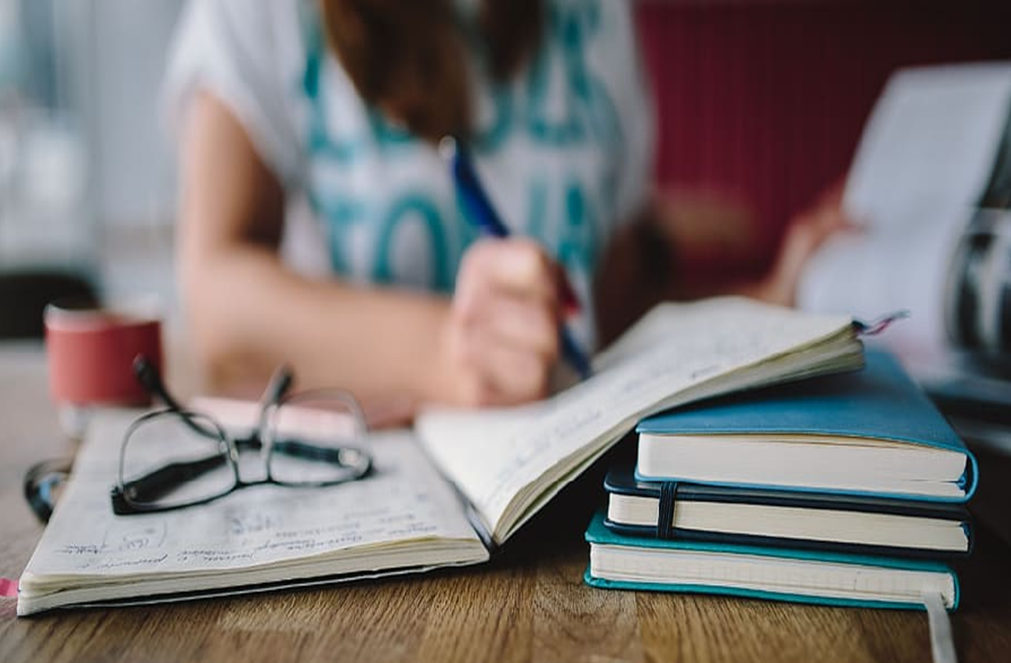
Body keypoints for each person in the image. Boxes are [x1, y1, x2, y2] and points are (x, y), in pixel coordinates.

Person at [166, 0, 847, 423]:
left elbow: (609, 300)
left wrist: (759, 307)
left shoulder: (596, 14)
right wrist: (445, 351)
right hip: (369, 482)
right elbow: (218, 296)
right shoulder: (262, 13)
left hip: (564, 475)